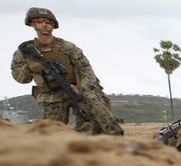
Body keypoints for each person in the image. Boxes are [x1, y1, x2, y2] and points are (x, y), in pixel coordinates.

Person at [11, 7, 123, 135]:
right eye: (40, 21)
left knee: (94, 119)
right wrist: (29, 67)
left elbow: (86, 71)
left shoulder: (68, 47)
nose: (45, 25)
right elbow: (19, 78)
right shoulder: (25, 51)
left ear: (53, 26)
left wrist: (82, 89)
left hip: (78, 92)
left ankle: (115, 135)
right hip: (51, 96)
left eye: (48, 22)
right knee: (52, 134)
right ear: (32, 24)